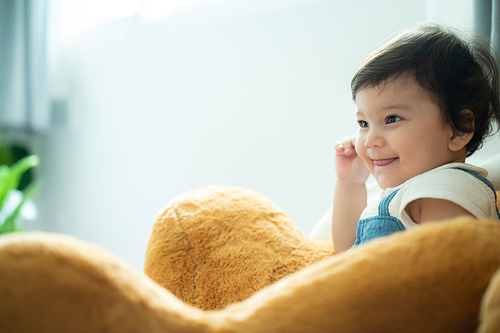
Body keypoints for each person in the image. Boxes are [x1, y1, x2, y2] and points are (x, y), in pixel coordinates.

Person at [332, 23, 500, 253]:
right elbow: (347, 256)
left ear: (458, 129)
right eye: (364, 123)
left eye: (391, 119)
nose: (370, 139)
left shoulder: (445, 188)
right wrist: (350, 183)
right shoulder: (406, 195)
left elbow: (447, 272)